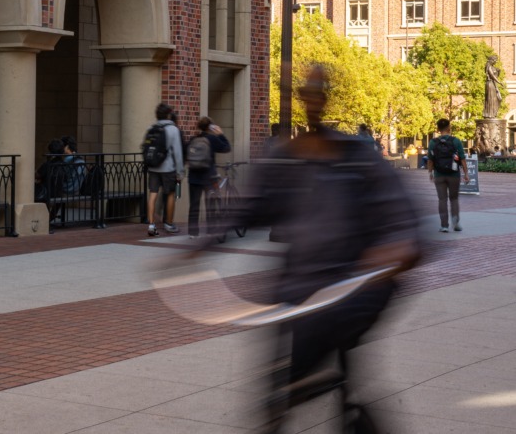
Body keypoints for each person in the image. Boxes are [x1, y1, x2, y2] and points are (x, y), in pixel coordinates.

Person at [210, 66, 420, 430]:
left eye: (315, 94)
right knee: (296, 374)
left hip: (353, 285)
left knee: (321, 355)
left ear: (324, 99)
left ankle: (310, 390)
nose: (309, 102)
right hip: (300, 286)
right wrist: (205, 243)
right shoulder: (288, 156)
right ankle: (302, 393)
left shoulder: (356, 155)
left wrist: (395, 249)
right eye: (303, 95)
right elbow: (253, 206)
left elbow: (400, 217)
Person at [186, 117, 231, 239]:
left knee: (194, 205)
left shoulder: (193, 139)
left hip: (194, 176)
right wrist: (221, 134)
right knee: (211, 204)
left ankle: (193, 232)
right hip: (209, 177)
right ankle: (211, 229)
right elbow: (227, 148)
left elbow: (186, 155)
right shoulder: (212, 139)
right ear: (210, 127)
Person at [144, 104, 184, 237]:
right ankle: (169, 223)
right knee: (171, 194)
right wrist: (180, 171)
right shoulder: (173, 129)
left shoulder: (151, 128)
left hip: (153, 166)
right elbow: (177, 153)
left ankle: (151, 224)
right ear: (168, 114)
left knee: (153, 194)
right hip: (168, 168)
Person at [427, 118, 469, 233]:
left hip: (439, 174)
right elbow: (463, 159)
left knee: (442, 199)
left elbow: (430, 160)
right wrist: (466, 173)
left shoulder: (433, 142)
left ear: (438, 129)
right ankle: (455, 221)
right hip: (453, 174)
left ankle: (444, 225)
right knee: (454, 198)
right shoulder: (456, 141)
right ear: (449, 128)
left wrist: (430, 172)